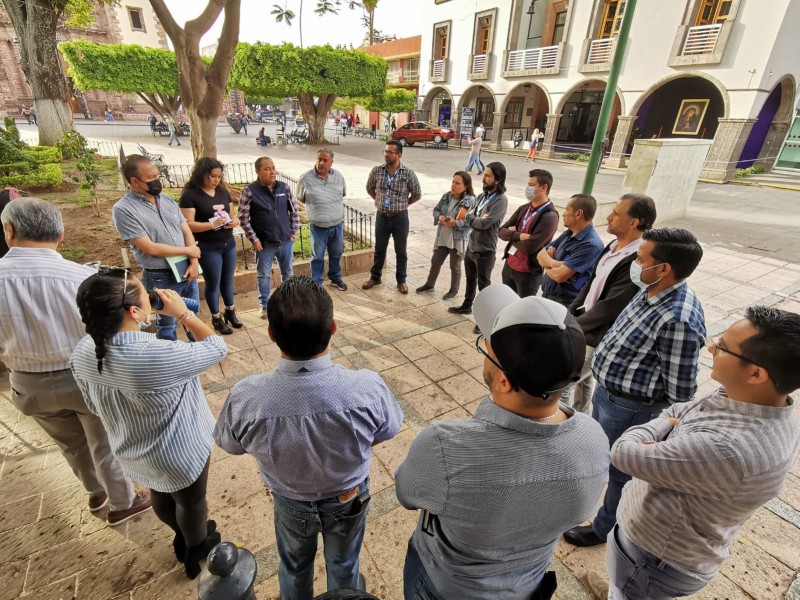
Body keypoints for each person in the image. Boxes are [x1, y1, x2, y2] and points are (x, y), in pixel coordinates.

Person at [397, 284, 610, 600]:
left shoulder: (444, 446)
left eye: (488, 348)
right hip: (527, 584)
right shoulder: (594, 440)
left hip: (446, 586)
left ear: (504, 380)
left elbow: (407, 494)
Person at [585, 305, 800, 600]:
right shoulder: (754, 400)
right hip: (654, 543)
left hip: (652, 559)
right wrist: (670, 429)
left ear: (755, 373)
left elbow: (624, 452)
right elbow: (679, 410)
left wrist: (663, 426)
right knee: (622, 585)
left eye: (723, 347)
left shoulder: (728, 448)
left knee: (630, 589)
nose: (711, 346)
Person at [214, 276, 403, 599]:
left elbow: (230, 443)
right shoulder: (367, 388)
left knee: (293, 566)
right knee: (344, 564)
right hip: (349, 495)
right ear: (333, 329)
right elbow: (387, 429)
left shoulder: (247, 397)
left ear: (271, 335)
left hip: (290, 501)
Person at [0, 198, 152, 527]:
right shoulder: (82, 278)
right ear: (61, 235)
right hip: (86, 375)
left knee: (70, 443)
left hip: (27, 383)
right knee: (105, 441)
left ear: (8, 231)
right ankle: (123, 502)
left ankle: (96, 492)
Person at [71, 270, 227, 579]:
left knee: (161, 493)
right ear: (134, 311)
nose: (152, 295)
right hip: (179, 451)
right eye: (145, 293)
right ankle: (195, 547)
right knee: (191, 500)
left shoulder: (82, 352)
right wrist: (183, 313)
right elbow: (217, 348)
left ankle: (181, 535)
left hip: (133, 449)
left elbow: (92, 405)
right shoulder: (156, 353)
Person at [563, 227, 706, 549]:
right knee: (602, 455)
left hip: (633, 407)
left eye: (641, 259)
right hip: (610, 394)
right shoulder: (650, 289)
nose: (635, 264)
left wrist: (664, 429)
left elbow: (682, 390)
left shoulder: (677, 318)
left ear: (664, 268)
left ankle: (604, 528)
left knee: (621, 470)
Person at [564, 194, 657, 414]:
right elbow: (591, 282)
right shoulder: (613, 246)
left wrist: (572, 327)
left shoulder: (637, 258)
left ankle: (563, 431)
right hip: (584, 325)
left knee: (562, 384)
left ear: (633, 222)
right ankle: (581, 420)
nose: (608, 217)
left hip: (598, 335)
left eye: (616, 213)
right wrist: (570, 313)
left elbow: (611, 306)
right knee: (584, 382)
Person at [112, 155, 201, 341]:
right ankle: (168, 362)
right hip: (160, 275)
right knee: (167, 323)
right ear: (134, 181)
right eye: (150, 179)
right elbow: (150, 248)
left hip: (187, 269)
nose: (156, 181)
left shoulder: (166, 200)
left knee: (193, 316)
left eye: (157, 176)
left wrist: (193, 261)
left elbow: (186, 231)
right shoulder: (124, 209)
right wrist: (188, 251)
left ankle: (198, 351)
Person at [178, 157, 242, 334]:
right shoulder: (190, 195)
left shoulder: (222, 191)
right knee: (213, 283)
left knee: (228, 280)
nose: (216, 180)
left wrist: (233, 222)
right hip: (208, 246)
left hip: (227, 243)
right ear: (202, 174)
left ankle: (230, 310)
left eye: (219, 176)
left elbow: (232, 215)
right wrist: (212, 225)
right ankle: (216, 317)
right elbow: (187, 224)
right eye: (212, 176)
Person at [448, 162, 508, 332]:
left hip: (485, 251)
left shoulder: (500, 200)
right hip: (471, 247)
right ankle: (467, 305)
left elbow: (485, 223)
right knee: (469, 280)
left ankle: (485, 319)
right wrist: (472, 218)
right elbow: (472, 215)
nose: (484, 178)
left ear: (497, 179)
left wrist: (471, 219)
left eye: (488, 175)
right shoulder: (482, 196)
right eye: (484, 175)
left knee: (484, 287)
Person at [238, 156, 299, 319]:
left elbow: (294, 211)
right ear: (258, 171)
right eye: (267, 169)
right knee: (263, 275)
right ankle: (264, 305)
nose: (272, 172)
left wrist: (293, 234)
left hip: (286, 241)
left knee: (287, 273)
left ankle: (288, 302)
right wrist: (254, 239)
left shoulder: (284, 188)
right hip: (264, 244)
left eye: (273, 167)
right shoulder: (249, 191)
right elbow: (243, 218)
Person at [362, 141, 422, 294]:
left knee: (400, 251)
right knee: (379, 249)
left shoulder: (408, 173)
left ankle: (401, 281)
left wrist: (403, 204)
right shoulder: (377, 171)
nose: (386, 154)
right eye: (385, 151)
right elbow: (369, 188)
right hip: (382, 217)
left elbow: (417, 194)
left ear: (399, 155)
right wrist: (379, 201)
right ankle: (375, 277)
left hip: (400, 218)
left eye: (390, 152)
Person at [498, 169, 559, 298]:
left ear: (543, 187)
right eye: (528, 184)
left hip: (528, 273)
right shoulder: (524, 208)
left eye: (531, 185)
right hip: (509, 265)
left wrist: (512, 235)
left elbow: (530, 247)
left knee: (522, 311)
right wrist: (519, 236)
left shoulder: (549, 216)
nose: (527, 188)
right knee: (507, 303)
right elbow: (501, 231)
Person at [416, 171, 476, 300]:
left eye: (457, 183)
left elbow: (471, 222)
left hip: (457, 239)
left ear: (466, 186)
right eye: (453, 182)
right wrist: (439, 217)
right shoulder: (446, 196)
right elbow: (436, 210)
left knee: (455, 266)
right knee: (435, 261)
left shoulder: (471, 200)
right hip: (443, 236)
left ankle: (454, 290)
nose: (453, 185)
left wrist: (455, 223)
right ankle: (429, 284)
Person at [538, 194, 605, 307]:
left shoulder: (591, 245)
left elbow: (559, 276)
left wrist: (546, 265)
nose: (563, 214)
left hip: (563, 303)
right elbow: (540, 255)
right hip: (547, 295)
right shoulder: (568, 233)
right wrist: (557, 264)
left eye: (567, 210)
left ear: (578, 214)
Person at [297, 148, 348, 291]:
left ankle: (336, 279)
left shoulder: (338, 176)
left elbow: (342, 193)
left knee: (336, 254)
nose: (321, 163)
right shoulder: (305, 178)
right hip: (318, 227)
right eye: (319, 159)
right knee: (317, 257)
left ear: (331, 162)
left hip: (337, 226)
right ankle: (316, 284)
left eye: (325, 160)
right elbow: (300, 197)